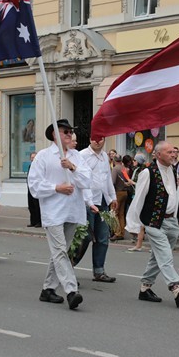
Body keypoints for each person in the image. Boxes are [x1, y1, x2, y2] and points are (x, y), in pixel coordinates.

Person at [28, 119, 91, 310]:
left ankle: (47, 289)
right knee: (60, 251)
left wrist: (72, 167)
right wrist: (56, 187)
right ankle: (71, 290)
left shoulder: (77, 157)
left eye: (71, 132)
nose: (69, 134)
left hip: (72, 211)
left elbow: (87, 181)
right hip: (53, 212)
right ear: (55, 134)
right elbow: (34, 185)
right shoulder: (43, 156)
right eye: (65, 131)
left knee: (60, 252)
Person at [125, 141, 179, 308]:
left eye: (174, 151)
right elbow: (139, 199)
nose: (173, 154)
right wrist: (134, 225)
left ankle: (145, 288)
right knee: (165, 254)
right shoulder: (147, 173)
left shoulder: (173, 169)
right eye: (169, 152)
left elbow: (173, 193)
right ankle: (176, 289)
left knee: (158, 256)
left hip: (171, 221)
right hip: (153, 221)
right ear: (157, 154)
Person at [75, 136, 117, 282]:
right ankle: (67, 267)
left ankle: (99, 271)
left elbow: (107, 179)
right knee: (84, 237)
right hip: (86, 202)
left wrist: (113, 197)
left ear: (104, 140)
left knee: (103, 237)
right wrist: (88, 201)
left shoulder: (105, 156)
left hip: (102, 201)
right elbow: (79, 180)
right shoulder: (81, 155)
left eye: (100, 138)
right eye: (95, 138)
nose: (97, 141)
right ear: (90, 139)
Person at [111, 154, 134, 241]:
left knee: (114, 213)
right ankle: (122, 232)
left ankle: (117, 233)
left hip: (117, 192)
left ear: (114, 160)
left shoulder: (115, 169)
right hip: (125, 192)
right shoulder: (124, 169)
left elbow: (112, 181)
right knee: (121, 214)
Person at [26, 152, 42, 227]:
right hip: (30, 188)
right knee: (31, 205)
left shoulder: (39, 166)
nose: (33, 159)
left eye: (34, 157)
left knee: (37, 206)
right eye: (32, 158)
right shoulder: (30, 166)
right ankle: (33, 221)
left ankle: (39, 222)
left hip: (37, 188)